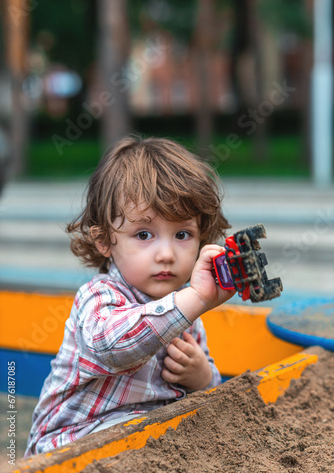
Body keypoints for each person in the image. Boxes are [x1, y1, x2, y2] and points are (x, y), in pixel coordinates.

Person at [25, 137, 235, 456]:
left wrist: (203, 376)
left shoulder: (186, 306)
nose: (166, 254)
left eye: (182, 235)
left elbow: (207, 389)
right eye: (143, 235)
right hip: (73, 442)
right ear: (105, 241)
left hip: (149, 439)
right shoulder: (99, 296)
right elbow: (115, 349)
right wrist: (195, 299)